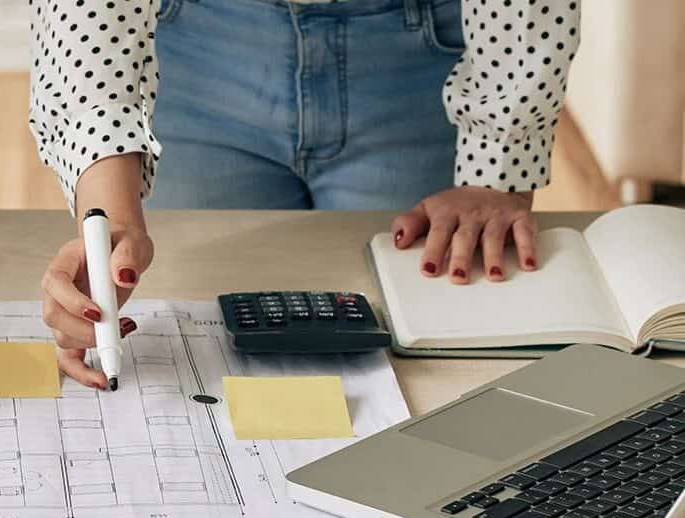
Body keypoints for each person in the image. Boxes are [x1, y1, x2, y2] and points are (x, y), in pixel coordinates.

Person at [28, 0, 581, 388]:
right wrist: (113, 218)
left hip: (419, 58)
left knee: (422, 358)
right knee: (209, 346)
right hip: (197, 53)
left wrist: (497, 163)